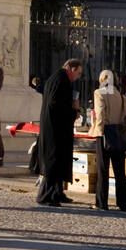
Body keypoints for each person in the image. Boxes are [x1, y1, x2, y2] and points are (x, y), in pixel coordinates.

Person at [35, 59, 83, 206]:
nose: (79, 76)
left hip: (56, 127)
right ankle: (47, 195)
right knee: (54, 161)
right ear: (71, 68)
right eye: (78, 72)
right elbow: (55, 104)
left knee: (59, 160)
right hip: (55, 128)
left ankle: (57, 192)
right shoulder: (60, 79)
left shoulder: (58, 78)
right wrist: (73, 109)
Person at [90, 69, 126, 212]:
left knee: (103, 170)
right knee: (119, 171)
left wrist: (97, 130)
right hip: (118, 135)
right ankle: (122, 202)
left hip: (104, 134)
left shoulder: (99, 93)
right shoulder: (121, 96)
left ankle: (101, 203)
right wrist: (122, 127)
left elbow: (101, 114)